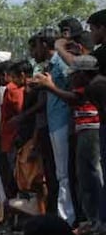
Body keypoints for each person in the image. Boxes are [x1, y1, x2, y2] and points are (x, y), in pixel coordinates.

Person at [33, 55, 103, 226]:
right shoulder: (89, 85)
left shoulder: (93, 86)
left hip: (91, 131)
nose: (71, 78)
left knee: (92, 176)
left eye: (74, 74)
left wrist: (50, 87)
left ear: (84, 74)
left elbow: (74, 99)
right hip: (83, 131)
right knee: (84, 177)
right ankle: (93, 220)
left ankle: (98, 220)